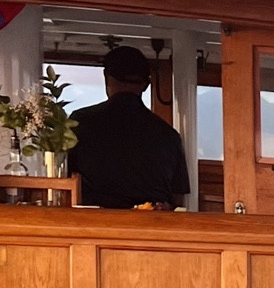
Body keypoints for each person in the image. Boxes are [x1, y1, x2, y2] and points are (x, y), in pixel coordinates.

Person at [68, 44, 190, 209]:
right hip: (151, 227)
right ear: (146, 85)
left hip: (95, 225)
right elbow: (178, 198)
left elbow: (66, 180)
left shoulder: (79, 122)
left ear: (107, 78)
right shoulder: (169, 135)